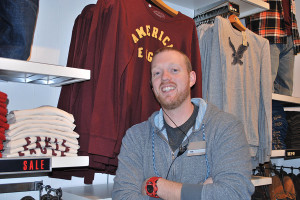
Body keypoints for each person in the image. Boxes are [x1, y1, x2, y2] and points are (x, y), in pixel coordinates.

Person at [112, 47, 254, 199]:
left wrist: (157, 186)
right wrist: (200, 192)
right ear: (152, 86)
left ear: (191, 78)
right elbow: (122, 196)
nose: (165, 77)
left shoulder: (226, 128)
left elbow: (235, 193)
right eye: (157, 73)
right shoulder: (136, 137)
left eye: (174, 70)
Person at [246, 0, 300, 96]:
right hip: (268, 33)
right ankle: (266, 111)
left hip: (290, 36)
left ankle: (279, 111)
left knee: (286, 89)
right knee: (265, 85)